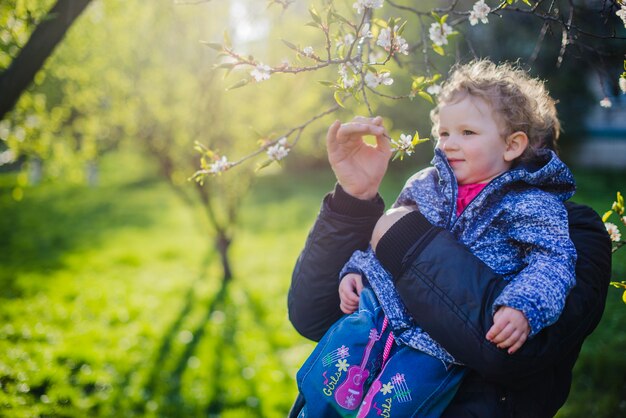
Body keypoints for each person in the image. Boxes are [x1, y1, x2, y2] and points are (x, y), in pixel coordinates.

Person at [288, 61, 612, 417]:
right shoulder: (426, 184)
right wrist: (357, 269)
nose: (450, 145)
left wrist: (524, 305)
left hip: (436, 352)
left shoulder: (535, 206)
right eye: (444, 134)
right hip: (378, 322)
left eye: (468, 133)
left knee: (395, 406)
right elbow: (377, 246)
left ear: (514, 145)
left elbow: (551, 262)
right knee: (325, 386)